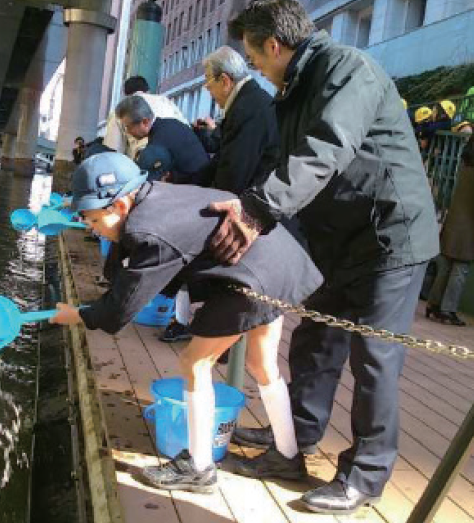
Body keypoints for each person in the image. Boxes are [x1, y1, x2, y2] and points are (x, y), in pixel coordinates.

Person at [211, 0, 439, 514]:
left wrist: (258, 210)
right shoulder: (292, 90)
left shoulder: (348, 70)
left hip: (390, 239)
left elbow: (325, 148)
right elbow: (286, 161)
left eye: (254, 57)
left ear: (274, 46)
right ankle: (292, 446)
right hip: (336, 239)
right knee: (315, 340)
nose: (257, 69)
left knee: (375, 360)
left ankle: (367, 474)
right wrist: (252, 210)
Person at [50, 152, 323, 493]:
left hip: (255, 277)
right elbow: (129, 260)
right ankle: (286, 455)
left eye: (91, 220)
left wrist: (76, 314)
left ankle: (199, 468)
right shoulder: (153, 197)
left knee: (194, 362)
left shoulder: (149, 229)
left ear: (119, 206)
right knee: (261, 362)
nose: (91, 228)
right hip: (280, 259)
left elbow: (120, 308)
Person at [116, 95, 211, 342]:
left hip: (198, 207)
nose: (127, 133)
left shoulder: (157, 145)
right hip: (202, 198)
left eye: (128, 127)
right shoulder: (172, 125)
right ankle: (180, 318)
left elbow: (147, 189)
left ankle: (182, 323)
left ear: (144, 122)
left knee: (180, 263)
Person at [196, 45, 279, 194]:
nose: (210, 93)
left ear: (224, 81)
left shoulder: (247, 110)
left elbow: (231, 181)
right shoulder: (248, 102)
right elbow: (220, 162)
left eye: (209, 86)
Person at [426, 134, 474, 326]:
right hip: (468, 227)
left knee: (445, 266)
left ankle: (434, 304)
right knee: (460, 269)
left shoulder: (465, 164)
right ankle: (447, 310)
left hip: (454, 221)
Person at [104, 76, 188, 159]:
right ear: (148, 91)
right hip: (178, 158)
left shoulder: (122, 111)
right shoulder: (166, 102)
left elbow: (112, 151)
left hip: (145, 160)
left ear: (126, 96)